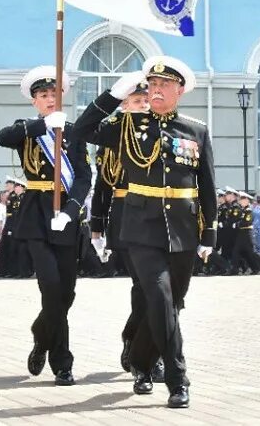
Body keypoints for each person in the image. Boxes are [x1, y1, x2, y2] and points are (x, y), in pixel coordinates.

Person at [74, 56, 216, 409]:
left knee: (173, 303)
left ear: (179, 90)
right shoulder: (126, 127)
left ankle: (139, 360)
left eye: (163, 85)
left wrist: (209, 232)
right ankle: (177, 378)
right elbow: (80, 130)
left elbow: (207, 186)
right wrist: (112, 95)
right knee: (159, 298)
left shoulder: (195, 130)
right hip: (141, 230)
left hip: (183, 229)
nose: (155, 90)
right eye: (151, 84)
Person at [0, 66, 92, 388]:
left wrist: (72, 209)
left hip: (65, 213)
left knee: (65, 293)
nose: (50, 99)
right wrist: (41, 126)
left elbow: (83, 176)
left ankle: (41, 335)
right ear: (35, 101)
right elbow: (1, 137)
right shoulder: (28, 129)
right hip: (37, 214)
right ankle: (62, 363)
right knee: (50, 286)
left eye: (54, 94)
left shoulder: (76, 132)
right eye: (43, 96)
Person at [87, 80, 151, 371]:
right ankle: (138, 343)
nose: (143, 105)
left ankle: (139, 340)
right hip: (126, 213)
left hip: (157, 214)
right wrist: (97, 226)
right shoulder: (115, 136)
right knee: (143, 284)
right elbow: (103, 185)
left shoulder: (159, 131)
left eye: (146, 101)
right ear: (125, 104)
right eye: (137, 101)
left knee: (154, 287)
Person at [231, 191, 260, 275]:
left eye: (241, 199)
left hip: (247, 234)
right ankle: (254, 268)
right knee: (239, 252)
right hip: (241, 234)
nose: (239, 201)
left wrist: (237, 224)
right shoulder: (243, 209)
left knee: (252, 253)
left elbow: (247, 221)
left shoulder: (249, 210)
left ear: (246, 200)